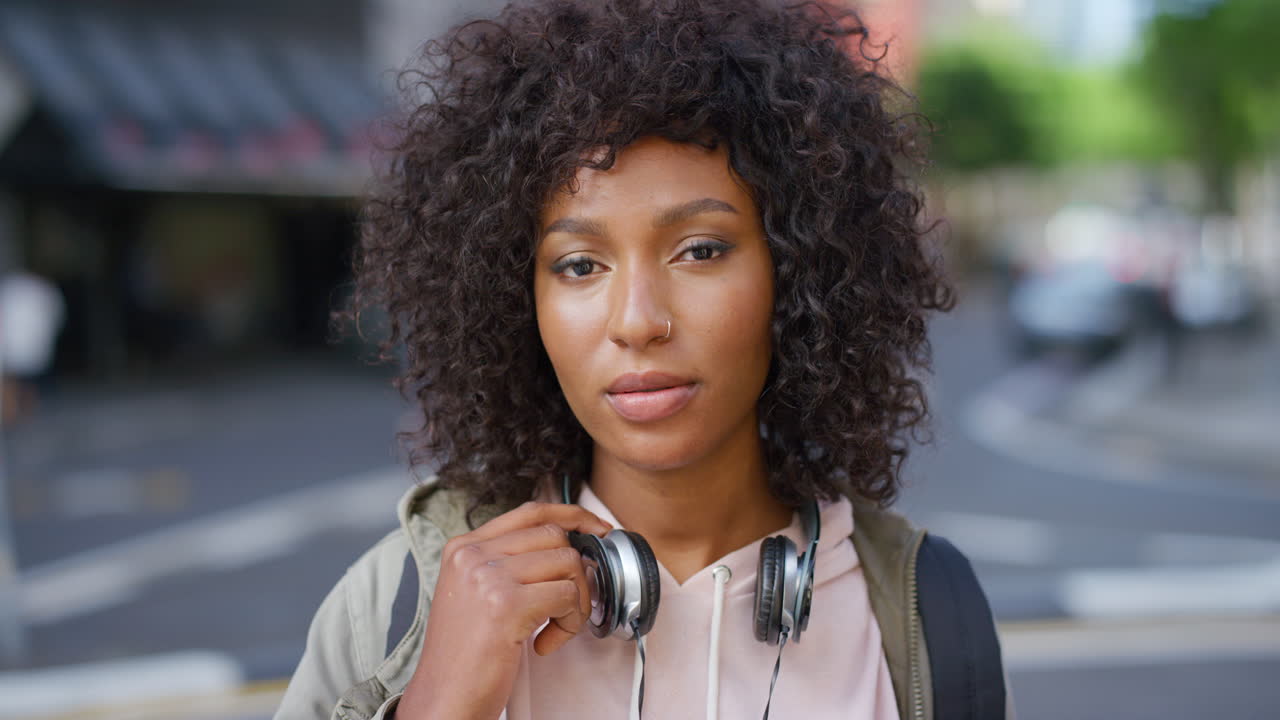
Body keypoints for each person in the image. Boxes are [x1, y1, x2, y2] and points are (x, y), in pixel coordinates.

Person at [276, 1, 1011, 718]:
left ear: (800, 272)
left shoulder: (926, 617)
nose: (637, 321)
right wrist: (436, 703)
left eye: (700, 250)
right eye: (578, 265)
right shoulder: (396, 605)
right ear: (514, 297)